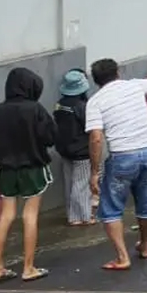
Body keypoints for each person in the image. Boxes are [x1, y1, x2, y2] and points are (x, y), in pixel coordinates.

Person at [87, 58, 147, 271]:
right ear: (118, 72)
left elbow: (96, 137)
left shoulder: (95, 101)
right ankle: (145, 245)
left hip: (122, 156)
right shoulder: (135, 86)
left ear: (96, 80)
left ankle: (122, 257)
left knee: (110, 208)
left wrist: (94, 171)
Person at [0, 67, 57, 282]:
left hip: (6, 170)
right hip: (33, 168)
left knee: (6, 216)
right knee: (30, 215)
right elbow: (50, 137)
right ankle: (28, 268)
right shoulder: (35, 109)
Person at [53, 70, 94, 226]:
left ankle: (72, 214)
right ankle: (83, 215)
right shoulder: (82, 106)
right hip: (81, 151)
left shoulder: (60, 105)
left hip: (64, 149)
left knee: (69, 182)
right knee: (81, 183)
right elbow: (90, 126)